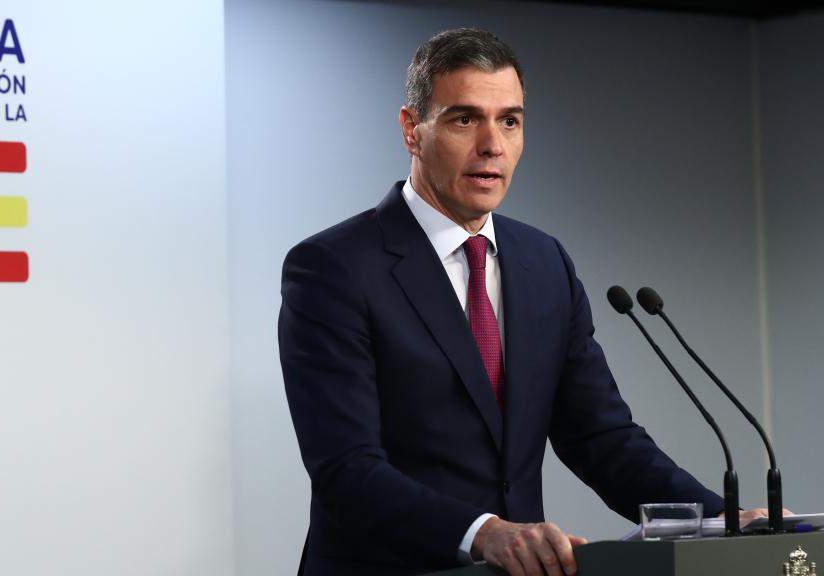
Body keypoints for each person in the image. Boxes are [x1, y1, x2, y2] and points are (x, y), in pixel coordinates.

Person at [278, 28, 765, 576]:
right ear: (412, 130)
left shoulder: (544, 263)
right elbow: (347, 468)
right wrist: (484, 533)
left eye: (509, 120)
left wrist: (726, 524)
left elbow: (601, 438)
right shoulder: (334, 267)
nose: (493, 145)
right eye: (465, 119)